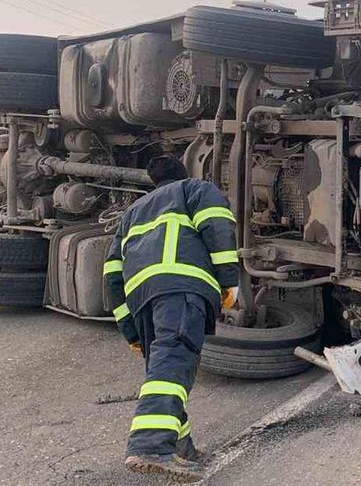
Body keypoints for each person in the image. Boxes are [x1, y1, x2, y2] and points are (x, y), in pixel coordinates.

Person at [103, 155, 239, 482]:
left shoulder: (132, 213)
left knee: (164, 372)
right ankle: (150, 446)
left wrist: (130, 330)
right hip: (181, 286)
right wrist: (229, 279)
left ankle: (182, 447)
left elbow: (111, 273)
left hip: (142, 300)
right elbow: (217, 225)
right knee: (174, 360)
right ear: (183, 173)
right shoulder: (194, 189)